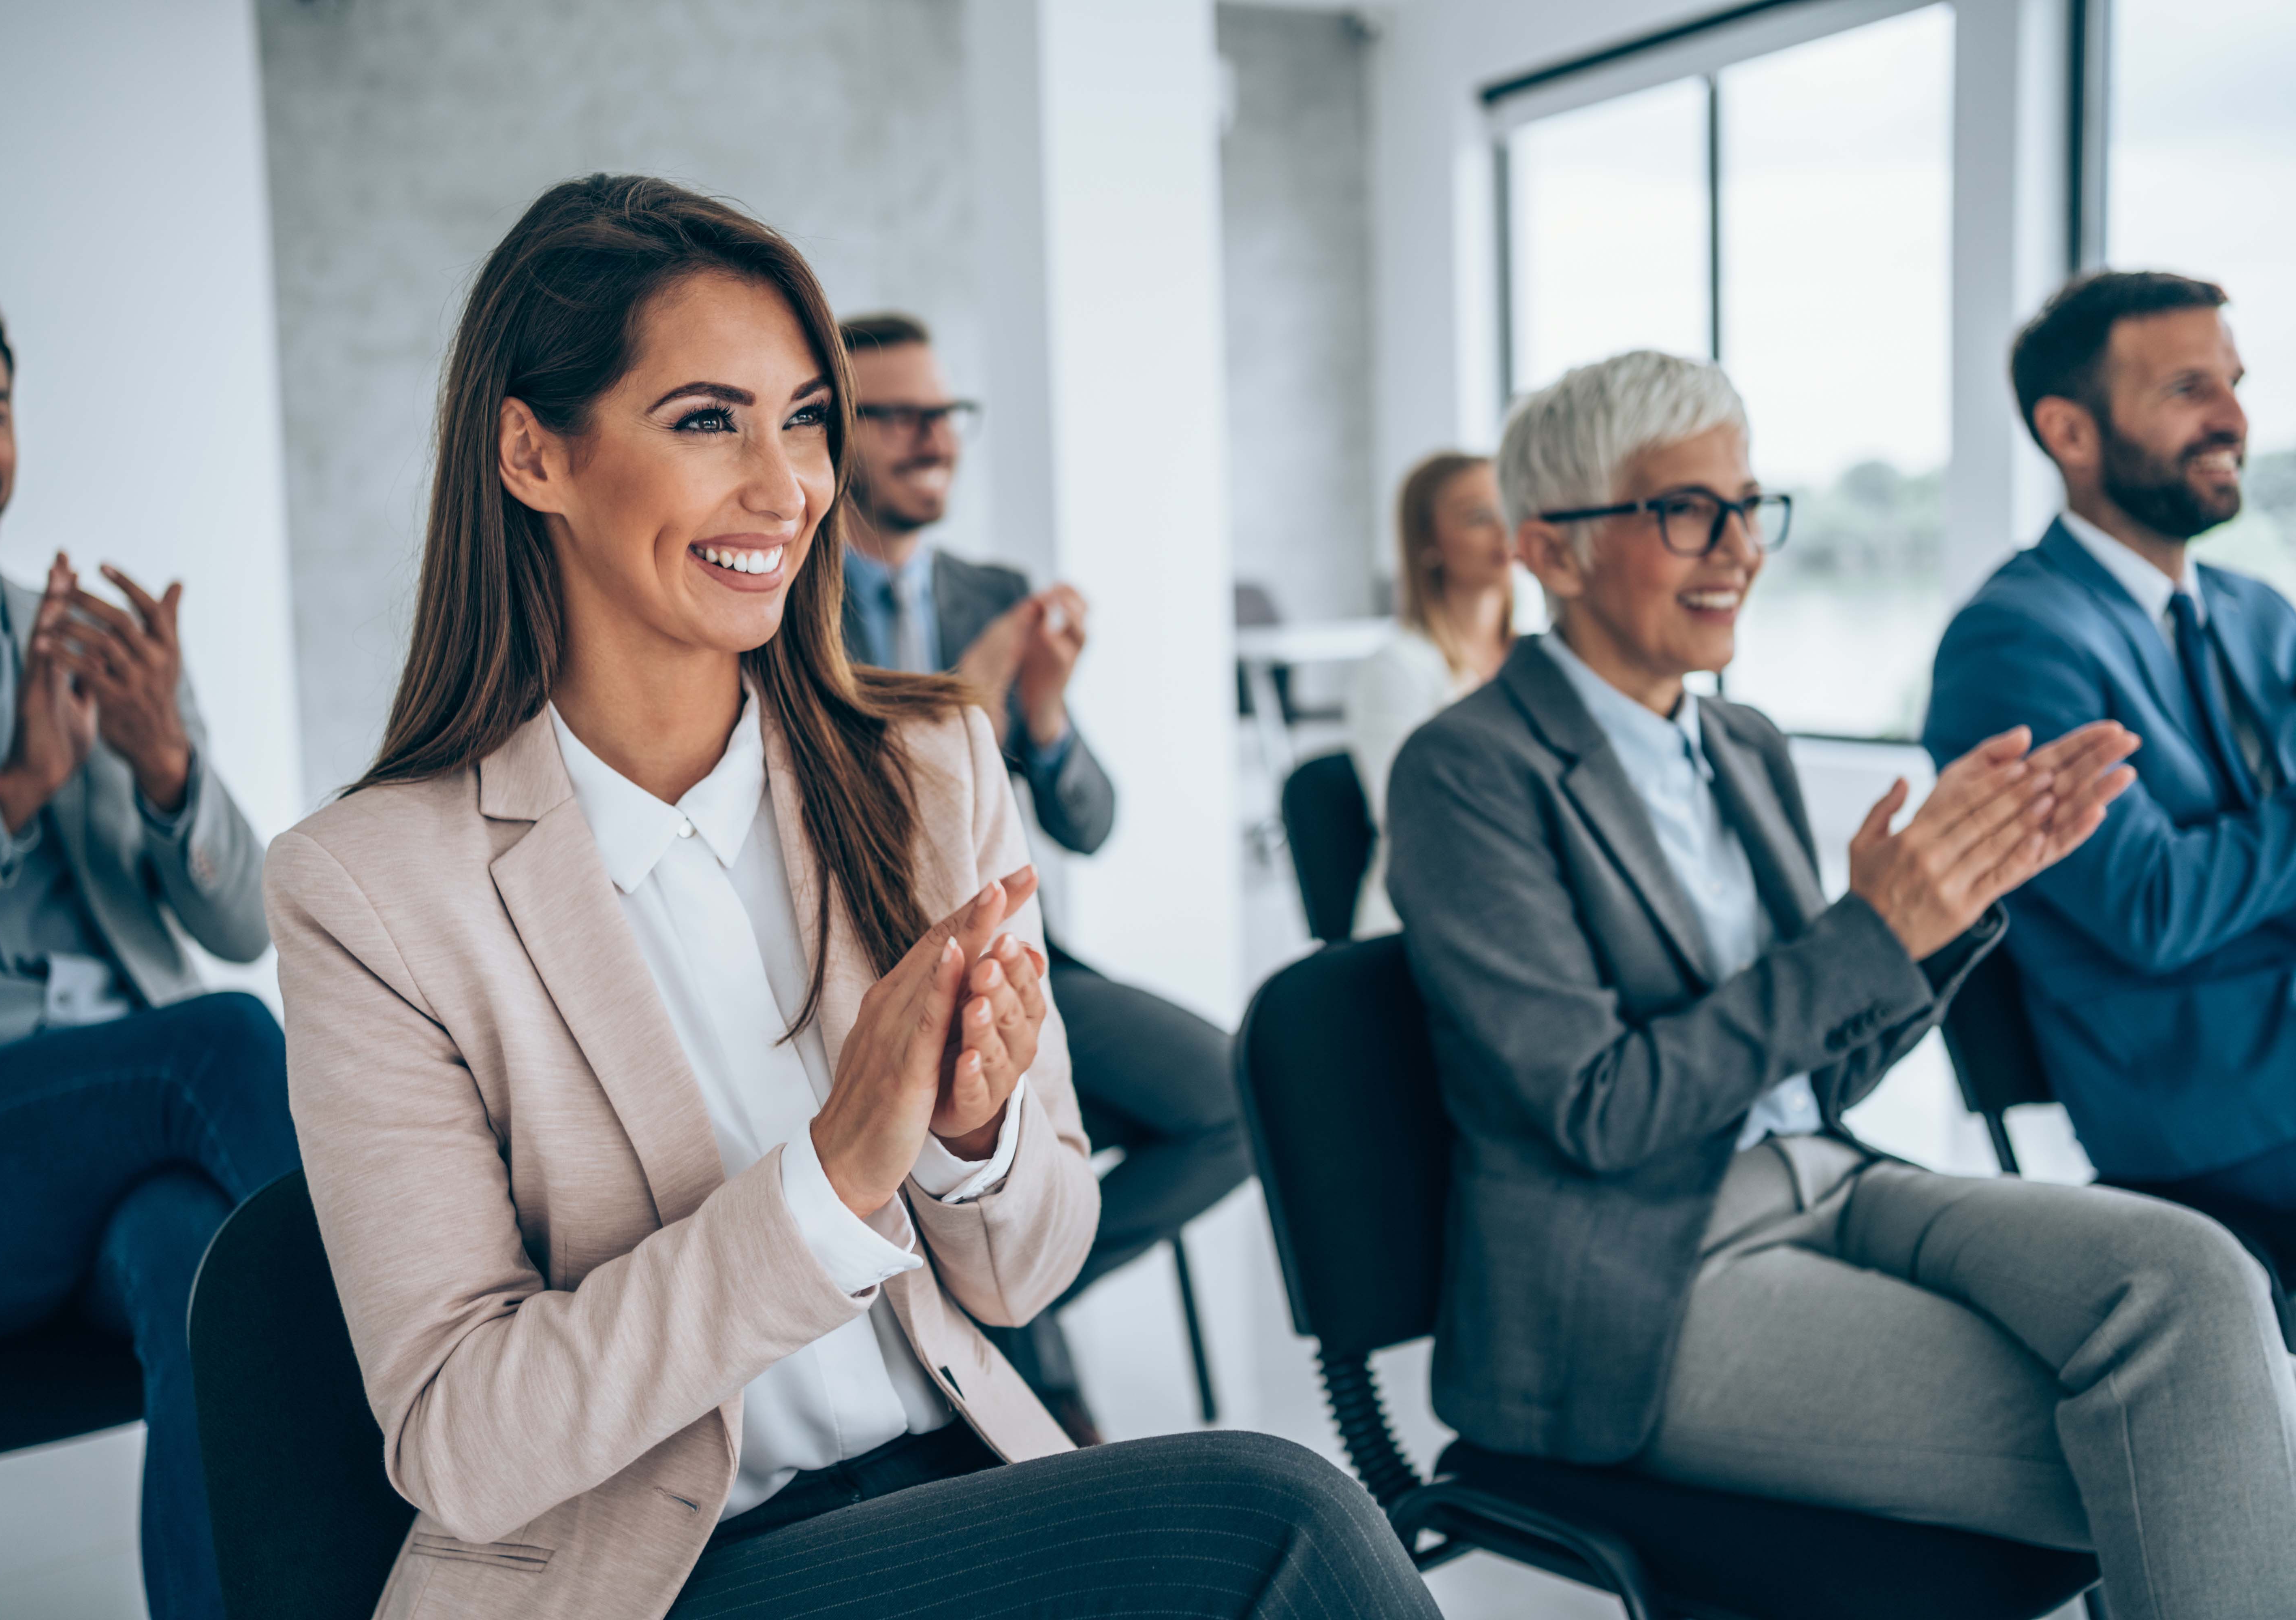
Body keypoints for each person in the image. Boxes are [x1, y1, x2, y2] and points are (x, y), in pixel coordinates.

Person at [266, 176, 1440, 1620]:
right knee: (1277, 1520)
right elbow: (465, 1440)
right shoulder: (371, 888)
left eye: (804, 416)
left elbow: (1022, 1277)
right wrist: (825, 1182)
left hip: (946, 1474)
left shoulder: (927, 759)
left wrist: (964, 1137)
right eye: (708, 420)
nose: (788, 485)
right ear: (532, 454)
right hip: (653, 1571)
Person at [1390, 347, 2296, 1620]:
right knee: (2195, 1441)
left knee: (2198, 1277)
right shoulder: (1466, 771)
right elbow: (1595, 1111)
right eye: (1683, 510)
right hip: (1639, 1277)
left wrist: (1934, 924)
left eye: (1746, 505)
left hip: (1828, 1173)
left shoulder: (1739, 742)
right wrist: (1867, 935)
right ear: (1551, 552)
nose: (1737, 548)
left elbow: (1817, 1067)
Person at [0, 271, 292, 1620]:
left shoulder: (97, 644)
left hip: (125, 1148)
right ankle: (434, 1379)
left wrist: (165, 767)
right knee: (221, 1045)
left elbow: (241, 921)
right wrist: (10, 798)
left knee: (188, 1258)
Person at [834, 311, 1248, 1442]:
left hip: (1025, 960)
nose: (935, 439)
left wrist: (1049, 720)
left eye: (946, 414)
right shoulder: (785, 609)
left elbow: (1091, 822)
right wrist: (958, 710)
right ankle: (1021, 1352)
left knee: (1230, 1098)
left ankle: (1006, 1306)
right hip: (865, 976)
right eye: (900, 417)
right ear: (833, 437)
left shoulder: (993, 591)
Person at [1926, 271, 2296, 1264]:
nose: (2233, 417)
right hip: (2214, 1119)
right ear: (2069, 432)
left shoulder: (2260, 614)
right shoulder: (2011, 645)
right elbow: (2154, 906)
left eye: (2234, 381)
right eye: (2187, 389)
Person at [1347, 450, 1522, 936]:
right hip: (1429, 915)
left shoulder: (1539, 659)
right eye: (1478, 517)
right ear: (1428, 541)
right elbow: (1413, 815)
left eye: (1510, 508)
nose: (1505, 531)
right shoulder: (1399, 666)